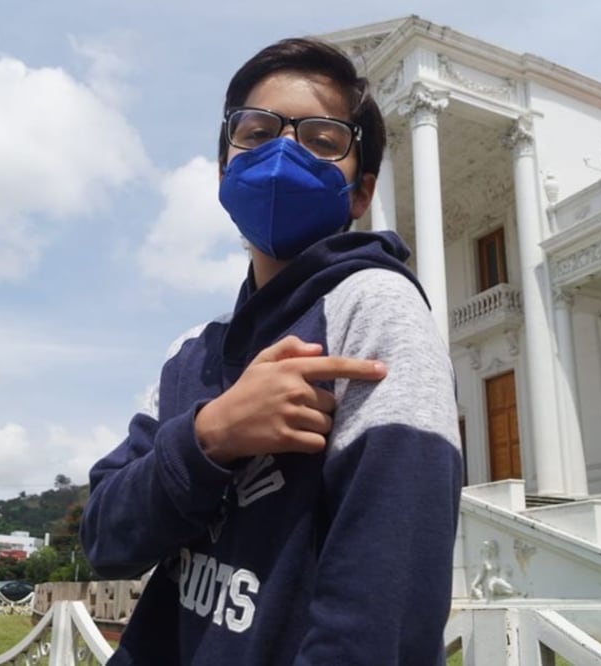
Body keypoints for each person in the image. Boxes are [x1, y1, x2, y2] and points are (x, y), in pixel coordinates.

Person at [80, 36, 462, 665]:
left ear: (361, 191)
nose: (283, 152)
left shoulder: (373, 309)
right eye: (256, 132)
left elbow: (381, 612)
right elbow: (105, 538)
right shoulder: (189, 356)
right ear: (224, 166)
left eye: (321, 140)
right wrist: (210, 435)